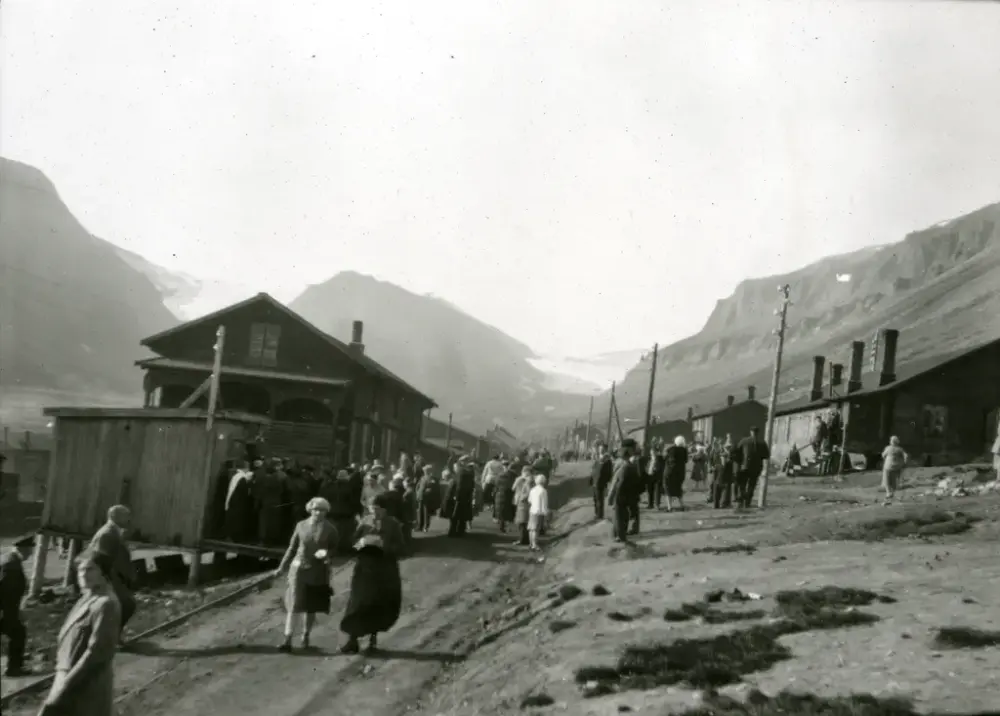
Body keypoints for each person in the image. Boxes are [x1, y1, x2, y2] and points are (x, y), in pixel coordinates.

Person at [39, 550, 120, 716]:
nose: (83, 574)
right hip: (70, 679)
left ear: (103, 573)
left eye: (90, 569)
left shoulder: (106, 604)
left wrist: (64, 687)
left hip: (86, 686)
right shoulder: (86, 599)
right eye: (80, 570)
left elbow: (96, 652)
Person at [340, 492, 405, 654]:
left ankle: (372, 641)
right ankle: (352, 640)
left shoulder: (393, 524)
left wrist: (385, 547)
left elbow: (402, 547)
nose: (374, 512)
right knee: (358, 602)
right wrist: (359, 544)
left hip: (383, 569)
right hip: (364, 569)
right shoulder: (365, 522)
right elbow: (352, 542)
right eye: (372, 509)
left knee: (377, 603)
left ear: (384, 510)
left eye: (378, 509)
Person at [275, 497, 339, 652]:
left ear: (326, 512)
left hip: (318, 570)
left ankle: (305, 635)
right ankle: (288, 639)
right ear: (310, 509)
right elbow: (292, 547)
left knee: (311, 605)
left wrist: (326, 554)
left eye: (322, 510)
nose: (318, 512)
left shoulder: (331, 529)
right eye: (316, 509)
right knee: (294, 603)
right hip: (299, 568)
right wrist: (281, 567)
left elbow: (335, 548)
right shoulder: (300, 525)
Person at [88, 505, 137, 644]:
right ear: (116, 517)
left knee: (123, 605)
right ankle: (109, 637)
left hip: (111, 576)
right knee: (126, 605)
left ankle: (112, 636)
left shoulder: (114, 531)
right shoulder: (107, 533)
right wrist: (110, 579)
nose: (129, 519)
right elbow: (101, 559)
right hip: (105, 576)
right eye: (126, 516)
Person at [0, 536, 32, 676]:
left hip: (7, 609)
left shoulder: (9, 559)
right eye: (29, 550)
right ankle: (14, 668)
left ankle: (14, 666)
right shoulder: (12, 565)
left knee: (17, 632)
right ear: (22, 549)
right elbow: (5, 592)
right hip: (4, 610)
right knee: (18, 633)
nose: (30, 553)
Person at [607, 439, 642, 542]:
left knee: (619, 513)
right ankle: (619, 533)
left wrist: (611, 495)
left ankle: (618, 534)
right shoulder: (629, 464)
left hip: (622, 492)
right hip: (626, 492)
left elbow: (615, 481)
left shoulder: (622, 464)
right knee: (623, 513)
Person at [735, 427, 770, 508]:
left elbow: (737, 452)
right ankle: (747, 502)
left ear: (751, 432)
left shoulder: (744, 441)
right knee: (752, 485)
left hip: (745, 467)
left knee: (742, 484)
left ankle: (741, 500)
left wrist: (740, 462)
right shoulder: (762, 442)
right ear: (758, 433)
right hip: (756, 468)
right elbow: (766, 455)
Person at [664, 436, 689, 512]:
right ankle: (682, 506)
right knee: (678, 489)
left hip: (670, 472)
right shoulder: (684, 450)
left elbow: (665, 456)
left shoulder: (671, 449)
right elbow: (686, 460)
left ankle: (669, 507)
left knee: (668, 489)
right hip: (680, 473)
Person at [881, 436, 909, 503]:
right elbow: (906, 456)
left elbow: (883, 455)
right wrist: (904, 463)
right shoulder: (900, 449)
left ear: (891, 441)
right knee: (894, 479)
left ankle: (888, 492)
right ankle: (892, 492)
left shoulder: (888, 448)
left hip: (888, 466)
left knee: (886, 479)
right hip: (897, 467)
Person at [512, 466, 534, 546]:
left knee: (523, 522)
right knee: (522, 521)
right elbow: (513, 488)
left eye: (524, 471)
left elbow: (529, 492)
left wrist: (522, 498)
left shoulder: (530, 481)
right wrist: (519, 480)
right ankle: (524, 539)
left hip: (524, 503)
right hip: (521, 502)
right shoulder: (521, 479)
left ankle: (523, 540)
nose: (523, 473)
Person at [590, 443, 613, 519]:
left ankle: (600, 515)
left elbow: (609, 473)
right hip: (595, 481)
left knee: (600, 499)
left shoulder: (607, 460)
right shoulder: (597, 458)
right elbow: (593, 470)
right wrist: (591, 479)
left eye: (602, 449)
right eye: (600, 449)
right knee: (595, 499)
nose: (600, 450)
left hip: (601, 482)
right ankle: (596, 513)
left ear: (605, 450)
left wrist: (606, 481)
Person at [711, 435, 736, 509]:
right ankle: (723, 504)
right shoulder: (729, 463)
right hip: (724, 480)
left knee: (717, 491)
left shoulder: (719, 465)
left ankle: (718, 504)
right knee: (725, 490)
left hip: (719, 479)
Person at [415, 465, 441, 532]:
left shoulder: (432, 478)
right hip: (421, 497)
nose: (425, 472)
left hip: (427, 498)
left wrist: (429, 490)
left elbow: (434, 487)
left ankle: (425, 526)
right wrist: (417, 492)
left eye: (426, 471)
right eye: (424, 471)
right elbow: (418, 486)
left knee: (426, 513)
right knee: (420, 512)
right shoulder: (422, 478)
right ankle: (419, 526)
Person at [527, 474, 549, 551]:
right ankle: (534, 545)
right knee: (536, 529)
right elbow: (544, 503)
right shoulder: (543, 491)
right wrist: (546, 514)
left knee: (531, 529)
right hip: (539, 512)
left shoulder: (532, 490)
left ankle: (531, 543)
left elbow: (529, 500)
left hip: (532, 510)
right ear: (543, 482)